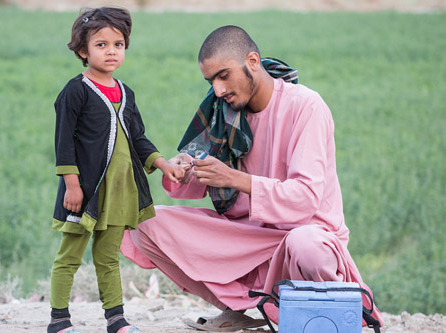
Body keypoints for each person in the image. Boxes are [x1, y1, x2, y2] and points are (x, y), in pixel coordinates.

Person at [120, 25, 384, 331]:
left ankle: (329, 311)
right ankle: (244, 307)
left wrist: (233, 178)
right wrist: (182, 168)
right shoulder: (224, 112)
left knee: (306, 245)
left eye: (223, 75)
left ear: (253, 62)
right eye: (211, 81)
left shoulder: (306, 106)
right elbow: (206, 180)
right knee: (145, 224)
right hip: (245, 237)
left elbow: (306, 198)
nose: (218, 90)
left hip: (303, 237)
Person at [48, 7, 184, 333]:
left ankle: (116, 320)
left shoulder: (125, 93)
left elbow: (138, 138)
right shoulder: (75, 91)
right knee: (70, 254)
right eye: (101, 44)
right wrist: (72, 185)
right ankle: (59, 322)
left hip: (120, 191)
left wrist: (163, 164)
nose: (111, 51)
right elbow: (63, 141)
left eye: (118, 44)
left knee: (108, 258)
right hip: (86, 191)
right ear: (83, 50)